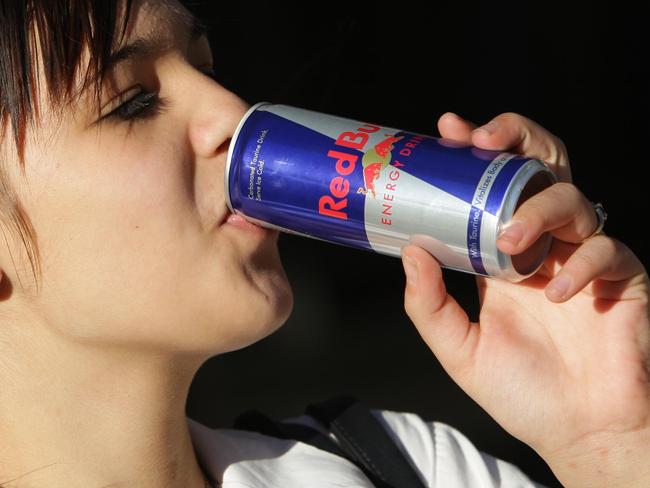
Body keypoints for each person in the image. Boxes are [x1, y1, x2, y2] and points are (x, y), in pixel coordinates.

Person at [0, 1, 648, 487]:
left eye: (206, 67)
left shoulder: (403, 467)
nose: (233, 111)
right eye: (133, 101)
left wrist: (609, 443)